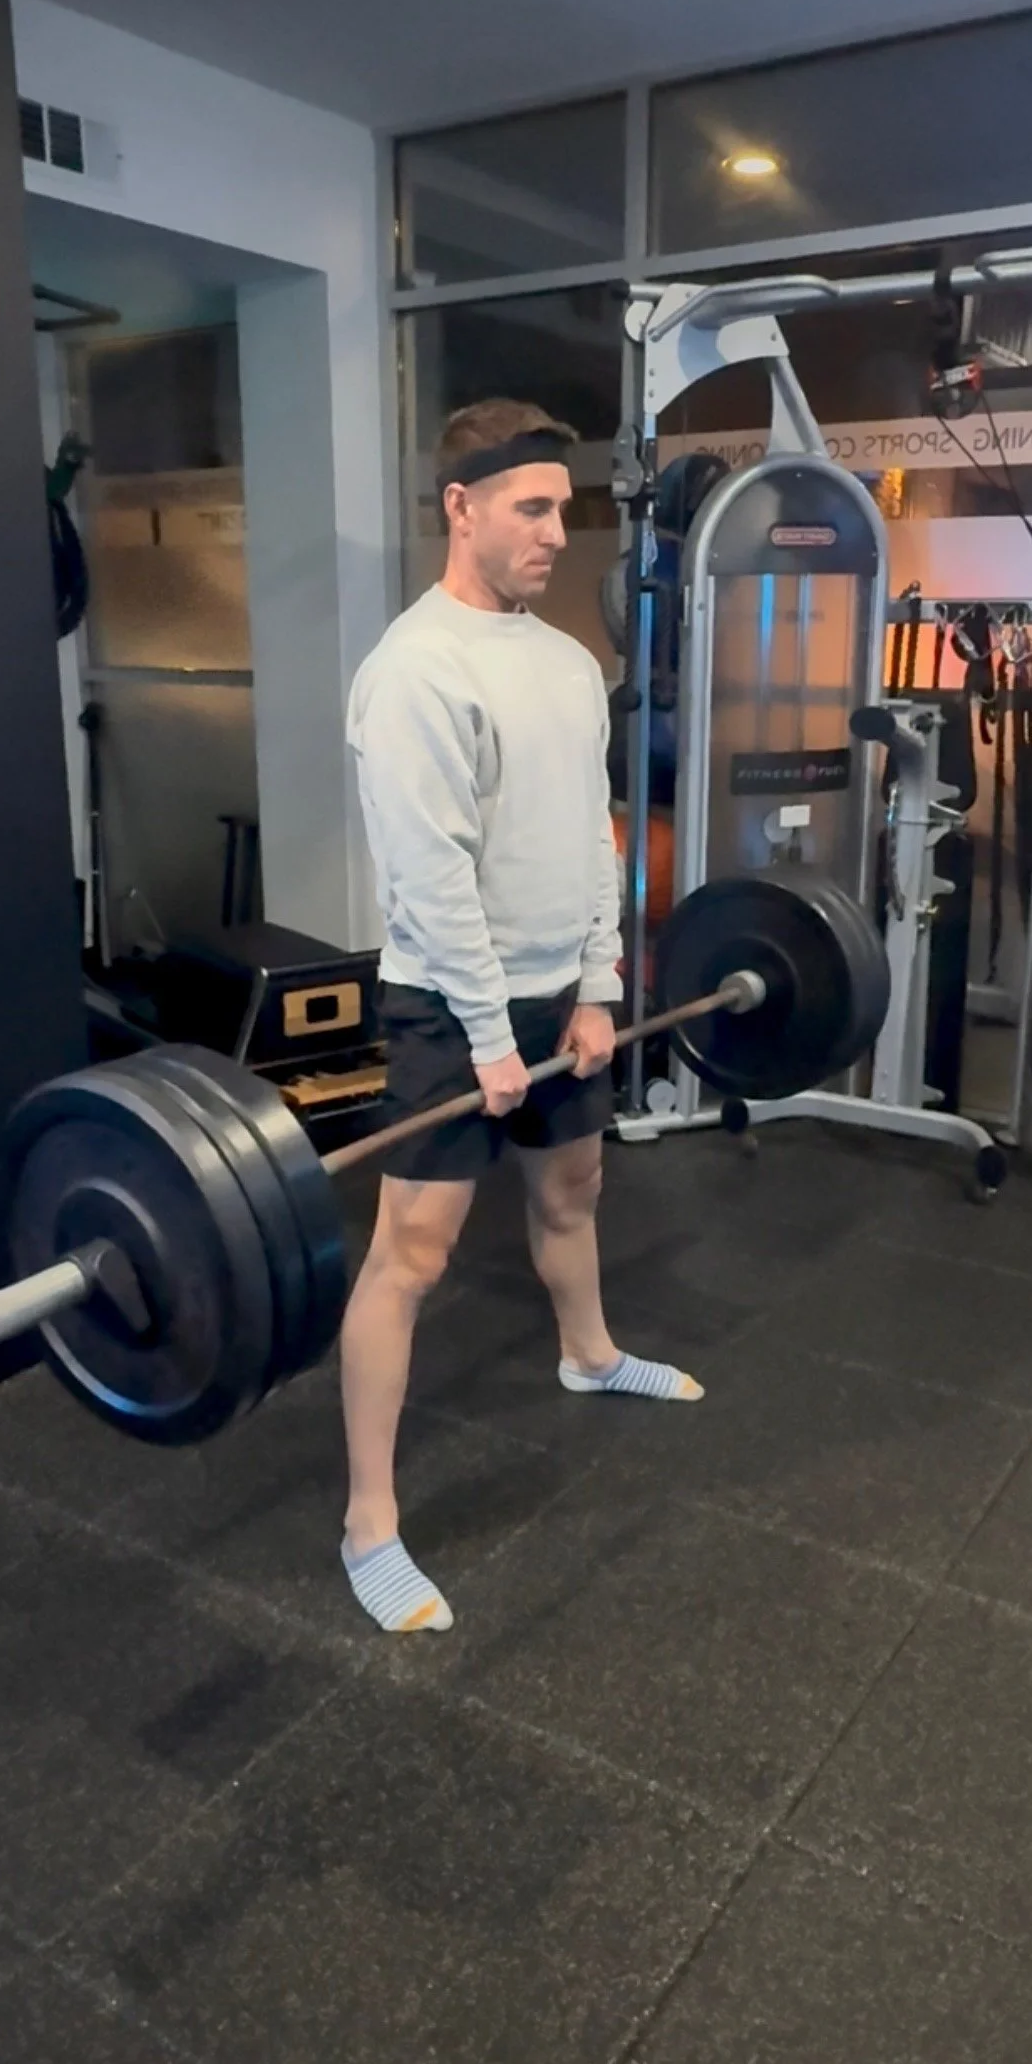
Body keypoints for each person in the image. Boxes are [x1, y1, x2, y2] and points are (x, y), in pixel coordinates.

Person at [341, 398, 703, 1634]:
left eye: (567, 507)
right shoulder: (412, 671)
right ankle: (369, 1521)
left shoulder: (563, 664)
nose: (560, 532)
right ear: (463, 506)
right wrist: (494, 1038)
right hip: (452, 1002)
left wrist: (599, 985)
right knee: (413, 1255)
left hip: (558, 994)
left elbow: (592, 839)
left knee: (573, 1191)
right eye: (534, 508)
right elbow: (431, 873)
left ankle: (589, 1351)